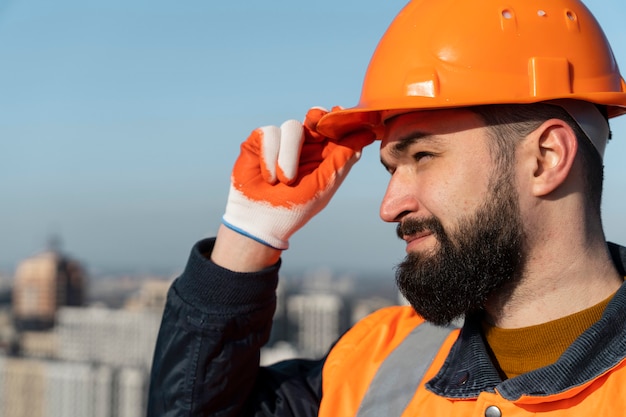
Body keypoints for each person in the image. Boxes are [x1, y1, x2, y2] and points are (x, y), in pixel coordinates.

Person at [147, 0, 626, 415]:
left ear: (546, 159)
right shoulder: (378, 361)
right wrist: (249, 234)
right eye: (390, 168)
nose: (389, 206)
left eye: (423, 156)